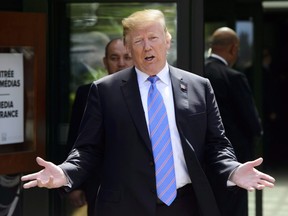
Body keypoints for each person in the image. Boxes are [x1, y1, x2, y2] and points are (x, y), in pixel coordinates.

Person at [21, 9, 275, 216]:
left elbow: (216, 144)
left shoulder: (199, 86)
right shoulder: (105, 91)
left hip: (185, 205)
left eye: (153, 38)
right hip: (124, 207)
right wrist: (66, 173)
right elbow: (88, 149)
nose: (146, 47)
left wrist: (232, 169)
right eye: (138, 41)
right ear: (129, 48)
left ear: (167, 40)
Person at [66, 38, 133, 216]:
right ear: (105, 62)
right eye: (114, 58)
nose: (121, 63)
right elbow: (76, 139)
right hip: (99, 184)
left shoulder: (147, 91)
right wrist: (75, 185)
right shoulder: (87, 93)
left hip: (138, 186)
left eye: (127, 57)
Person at [204, 27, 263, 216]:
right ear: (233, 49)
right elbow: (251, 121)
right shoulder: (233, 77)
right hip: (234, 157)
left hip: (202, 155)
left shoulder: (194, 73)